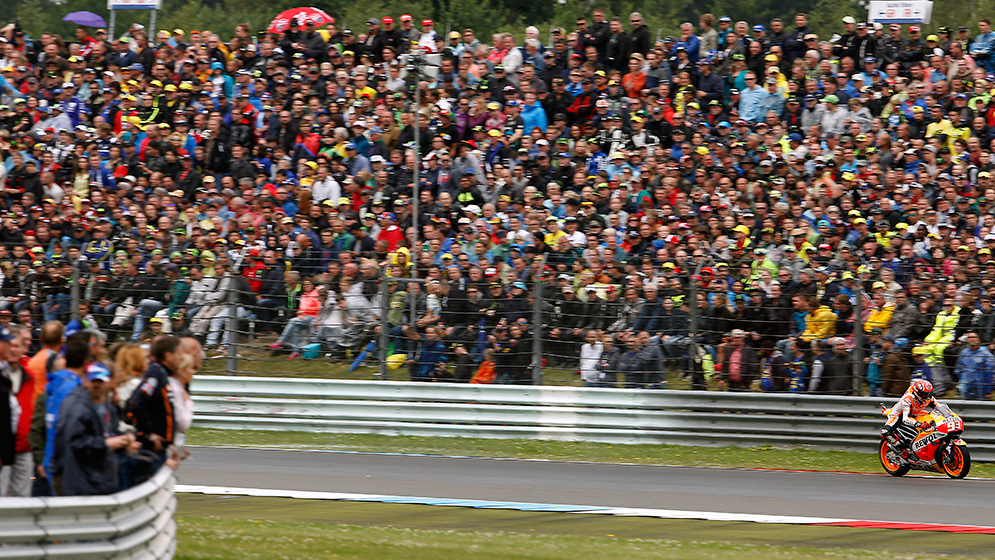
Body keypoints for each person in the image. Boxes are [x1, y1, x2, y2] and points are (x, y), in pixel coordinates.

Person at [51, 362, 139, 496]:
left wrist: (126, 438)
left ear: (109, 382)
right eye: (93, 380)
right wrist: (105, 444)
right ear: (85, 380)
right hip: (81, 479)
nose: (96, 385)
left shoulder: (107, 406)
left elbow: (110, 432)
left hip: (101, 476)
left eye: (100, 381)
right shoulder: (77, 406)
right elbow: (74, 442)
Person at [881, 379, 941, 458]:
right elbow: (905, 418)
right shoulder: (908, 398)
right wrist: (920, 424)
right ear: (917, 392)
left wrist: (950, 415)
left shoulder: (928, 398)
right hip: (899, 414)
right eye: (924, 394)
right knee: (885, 432)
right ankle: (900, 449)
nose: (927, 396)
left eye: (929, 394)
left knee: (934, 417)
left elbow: (939, 407)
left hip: (915, 412)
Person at [955, 332, 994, 400]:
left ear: (978, 339)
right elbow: (959, 369)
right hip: (966, 386)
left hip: (980, 387)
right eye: (970, 337)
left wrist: (988, 391)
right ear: (966, 340)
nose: (972, 339)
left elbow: (990, 373)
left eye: (974, 337)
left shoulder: (986, 354)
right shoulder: (964, 353)